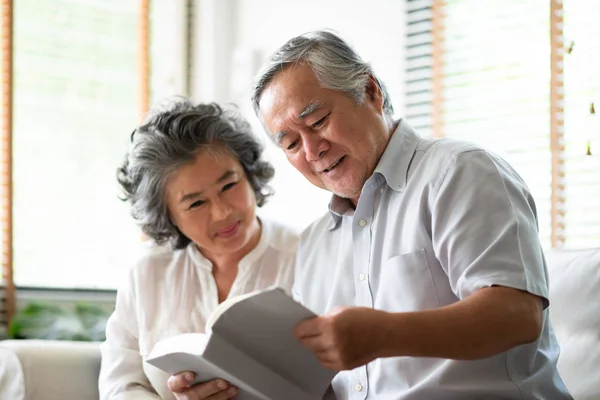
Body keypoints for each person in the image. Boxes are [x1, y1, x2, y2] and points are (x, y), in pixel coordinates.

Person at [250, 30, 573, 399]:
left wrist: (383, 334)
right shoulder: (313, 242)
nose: (311, 150)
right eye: (291, 143)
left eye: (318, 121)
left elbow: (517, 315)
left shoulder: (459, 172)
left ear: (371, 92)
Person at [99, 98, 298, 400]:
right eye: (195, 203)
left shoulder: (305, 255)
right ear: (167, 216)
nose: (222, 213)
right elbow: (119, 385)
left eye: (229, 186)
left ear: (249, 174)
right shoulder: (147, 273)